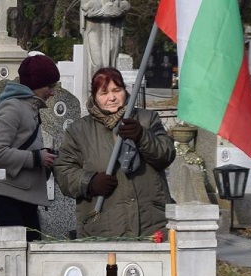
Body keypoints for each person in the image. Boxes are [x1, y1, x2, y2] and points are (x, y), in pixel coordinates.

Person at [54, 66, 175, 239]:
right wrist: (90, 182)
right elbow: (63, 172)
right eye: (104, 93)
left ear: (125, 91)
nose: (111, 97)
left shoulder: (147, 120)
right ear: (94, 97)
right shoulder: (79, 131)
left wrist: (142, 136)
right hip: (104, 227)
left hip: (152, 226)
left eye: (116, 90)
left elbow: (166, 154)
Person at [0, 53, 60, 241]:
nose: (52, 92)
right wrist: (36, 158)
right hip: (7, 202)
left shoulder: (29, 107)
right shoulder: (13, 107)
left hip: (24, 200)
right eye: (49, 86)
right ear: (35, 84)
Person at [81, 0, 130, 95]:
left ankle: (110, 91)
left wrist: (116, 10)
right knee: (97, 62)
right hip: (94, 29)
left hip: (112, 28)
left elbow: (120, 4)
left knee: (110, 61)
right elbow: (84, 7)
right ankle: (95, 92)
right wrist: (101, 11)